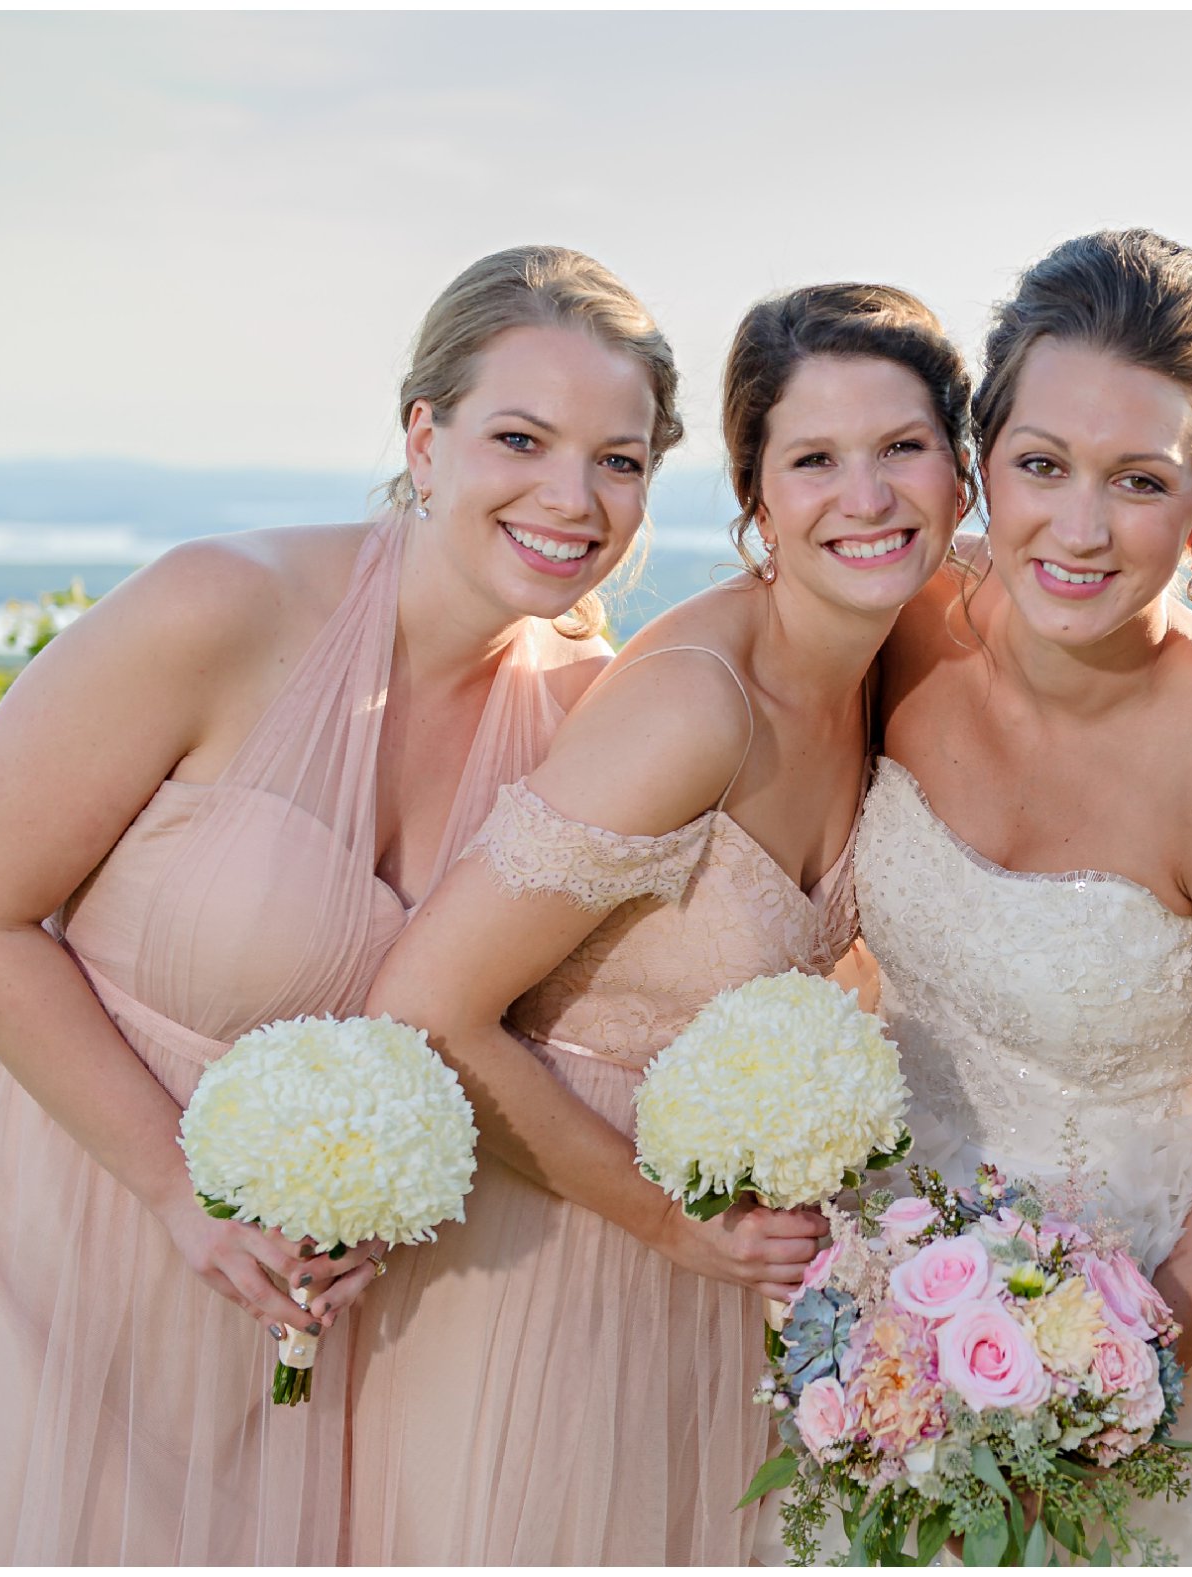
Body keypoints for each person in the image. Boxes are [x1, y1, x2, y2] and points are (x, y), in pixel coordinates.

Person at [0, 245, 681, 1563]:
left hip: (313, 1300)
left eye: (619, 459)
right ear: (423, 439)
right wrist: (172, 1189)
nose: (574, 496)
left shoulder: (590, 713)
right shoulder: (223, 604)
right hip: (63, 1202)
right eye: (523, 437)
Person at [346, 282, 972, 1563]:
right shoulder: (695, 704)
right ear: (754, 496)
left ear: (959, 473)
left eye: (901, 448)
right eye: (812, 460)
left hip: (735, 1289)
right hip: (559, 1265)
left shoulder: (890, 669)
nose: (866, 496)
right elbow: (424, 1004)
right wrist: (664, 1223)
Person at [850, 228, 1192, 1563]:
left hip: (1142, 1318)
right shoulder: (899, 627)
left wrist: (1096, 1392)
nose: (1077, 530)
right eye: (1039, 467)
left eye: (1136, 482)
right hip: (871, 1316)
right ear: (982, 463)